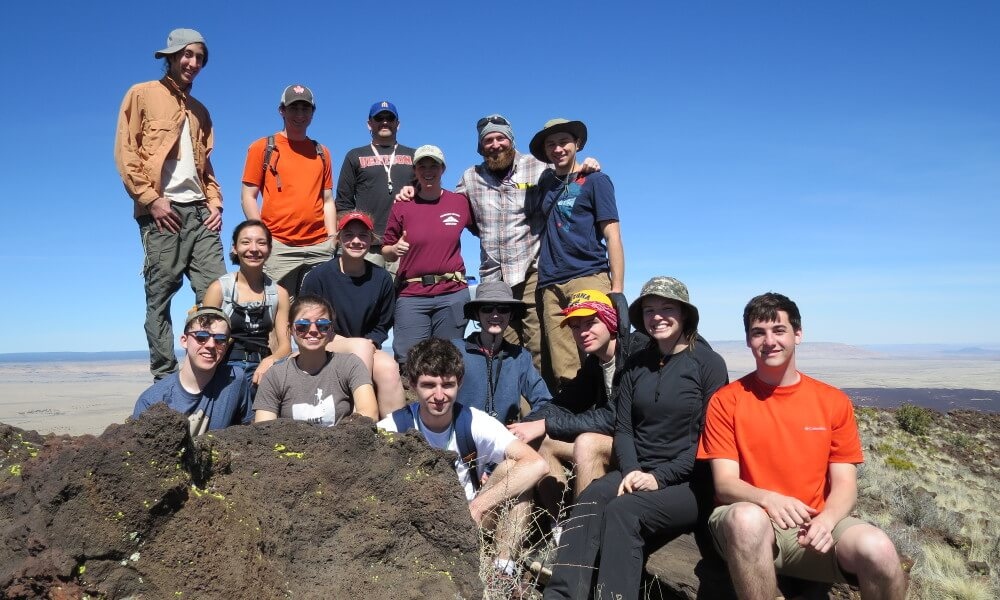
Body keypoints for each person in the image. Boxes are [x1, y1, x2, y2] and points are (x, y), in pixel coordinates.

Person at [696, 293, 908, 599]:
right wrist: (769, 499)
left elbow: (845, 486)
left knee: (880, 550)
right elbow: (725, 484)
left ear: (798, 334)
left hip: (814, 523)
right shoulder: (727, 400)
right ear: (748, 341)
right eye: (759, 333)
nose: (769, 341)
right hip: (748, 519)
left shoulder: (832, 401)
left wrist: (828, 520)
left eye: (778, 330)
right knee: (747, 520)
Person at [544, 277, 728, 600]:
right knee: (590, 500)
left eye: (667, 308)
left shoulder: (708, 365)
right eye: (650, 310)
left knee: (623, 512)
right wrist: (630, 471)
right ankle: (562, 595)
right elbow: (624, 428)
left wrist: (659, 478)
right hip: (638, 471)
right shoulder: (635, 365)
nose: (657, 316)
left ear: (685, 314)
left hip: (690, 483)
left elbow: (710, 439)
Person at [396, 114, 601, 376]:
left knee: (538, 345)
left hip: (531, 272)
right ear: (481, 147)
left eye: (500, 137)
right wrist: (412, 188)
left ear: (511, 140)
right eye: (488, 140)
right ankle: (513, 411)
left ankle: (545, 408)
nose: (495, 144)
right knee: (504, 349)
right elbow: (445, 204)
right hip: (494, 277)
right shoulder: (470, 178)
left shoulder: (537, 167)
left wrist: (587, 165)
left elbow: (566, 175)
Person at [377, 338, 548, 589]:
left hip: (473, 522)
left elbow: (537, 464)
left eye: (448, 385)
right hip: (416, 528)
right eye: (428, 385)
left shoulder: (474, 422)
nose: (439, 395)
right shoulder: (394, 428)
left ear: (460, 383)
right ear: (412, 385)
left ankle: (502, 572)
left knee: (518, 475)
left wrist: (478, 506)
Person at [115, 28, 226, 380]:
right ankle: (164, 378)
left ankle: (212, 371)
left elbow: (205, 166)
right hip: (162, 211)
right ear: (171, 56)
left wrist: (216, 203)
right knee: (159, 296)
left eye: (199, 57)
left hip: (200, 212)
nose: (193, 63)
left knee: (217, 292)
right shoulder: (142, 94)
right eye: (187, 55)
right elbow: (126, 151)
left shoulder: (200, 111)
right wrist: (151, 199)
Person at [511, 289, 645, 503]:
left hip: (642, 446)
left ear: (610, 321)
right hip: (618, 442)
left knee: (587, 442)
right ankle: (559, 525)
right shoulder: (596, 362)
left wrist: (547, 424)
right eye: (575, 326)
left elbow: (616, 416)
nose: (582, 332)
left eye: (590, 323)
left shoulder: (636, 353)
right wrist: (522, 429)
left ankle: (582, 527)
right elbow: (565, 403)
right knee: (544, 442)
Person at [526, 118, 625, 393]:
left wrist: (617, 290)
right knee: (563, 364)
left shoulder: (596, 180)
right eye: (551, 144)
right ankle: (575, 422)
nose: (558, 149)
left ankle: (613, 418)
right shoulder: (545, 182)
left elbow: (612, 235)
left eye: (563, 142)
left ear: (577, 144)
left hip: (588, 276)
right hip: (550, 283)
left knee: (602, 353)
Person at [300, 211, 405, 417]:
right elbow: (307, 319)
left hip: (367, 346)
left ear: (371, 240)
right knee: (360, 346)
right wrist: (357, 345)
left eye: (363, 235)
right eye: (348, 235)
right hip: (325, 341)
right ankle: (362, 419)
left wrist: (371, 343)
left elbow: (382, 324)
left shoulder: (382, 278)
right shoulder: (318, 276)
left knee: (389, 369)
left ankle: (395, 435)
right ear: (338, 238)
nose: (356, 241)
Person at [381, 145, 477, 364]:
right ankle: (411, 399)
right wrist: (395, 250)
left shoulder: (459, 202)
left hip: (452, 293)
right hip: (412, 294)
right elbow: (386, 250)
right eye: (422, 166)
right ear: (414, 171)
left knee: (449, 359)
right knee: (409, 359)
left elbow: (483, 229)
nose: (428, 170)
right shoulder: (402, 205)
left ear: (443, 169)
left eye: (433, 165)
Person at [241, 84, 335, 295]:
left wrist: (332, 238)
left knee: (317, 312)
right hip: (279, 247)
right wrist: (262, 236)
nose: (299, 114)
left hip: (319, 247)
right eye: (293, 108)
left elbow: (327, 199)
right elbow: (248, 196)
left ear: (313, 113)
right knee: (276, 312)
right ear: (281, 110)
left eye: (305, 108)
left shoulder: (322, 152)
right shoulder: (262, 147)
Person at [202, 219, 291, 407]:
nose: (253, 249)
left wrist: (270, 360)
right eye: (246, 242)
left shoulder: (279, 294)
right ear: (234, 248)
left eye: (261, 242)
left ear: (269, 248)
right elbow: (203, 338)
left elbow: (285, 346)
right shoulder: (219, 289)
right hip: (225, 367)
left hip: (263, 368)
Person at [254, 295, 378, 424]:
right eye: (302, 325)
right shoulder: (275, 376)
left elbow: (369, 413)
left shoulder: (350, 365)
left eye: (322, 325)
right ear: (291, 329)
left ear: (331, 330)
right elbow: (264, 427)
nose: (313, 330)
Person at [133, 307, 250, 434]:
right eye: (201, 337)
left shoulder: (235, 380)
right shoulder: (152, 401)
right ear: (184, 341)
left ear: (226, 347)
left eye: (220, 339)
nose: (210, 345)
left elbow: (248, 430)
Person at [451, 281, 550, 425]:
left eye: (503, 309)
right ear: (477, 314)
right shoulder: (454, 350)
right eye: (487, 309)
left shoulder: (521, 357)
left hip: (506, 440)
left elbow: (544, 400)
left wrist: (526, 426)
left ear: (511, 315)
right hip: (460, 438)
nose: (495, 315)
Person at [335, 101, 415, 270]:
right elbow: (343, 202)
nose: (384, 122)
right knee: (366, 294)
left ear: (397, 124)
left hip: (404, 243)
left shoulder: (413, 155)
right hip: (367, 244)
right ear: (369, 124)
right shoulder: (355, 155)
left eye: (389, 118)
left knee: (404, 295)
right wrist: (349, 238)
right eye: (379, 118)